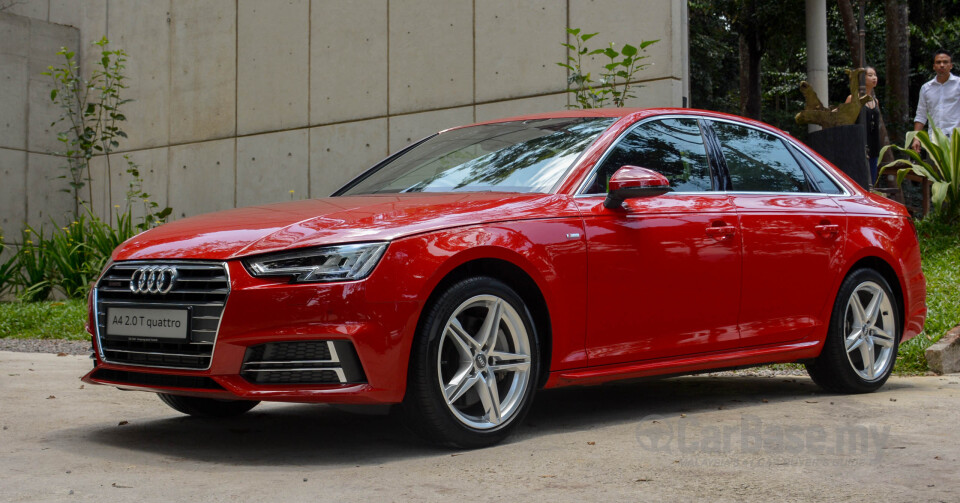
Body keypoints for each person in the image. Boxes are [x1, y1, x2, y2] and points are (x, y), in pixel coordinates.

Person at [912, 49, 960, 151]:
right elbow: (921, 115)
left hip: (956, 141)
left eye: (945, 62)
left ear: (951, 65)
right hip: (934, 142)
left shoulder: (958, 85)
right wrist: (916, 138)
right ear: (934, 66)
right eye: (938, 62)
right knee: (933, 167)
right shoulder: (926, 88)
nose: (942, 65)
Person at [846, 66, 887, 183]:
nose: (874, 78)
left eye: (875, 75)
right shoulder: (853, 98)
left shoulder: (875, 100)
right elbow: (846, 121)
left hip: (873, 144)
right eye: (870, 75)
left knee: (872, 180)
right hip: (858, 144)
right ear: (862, 79)